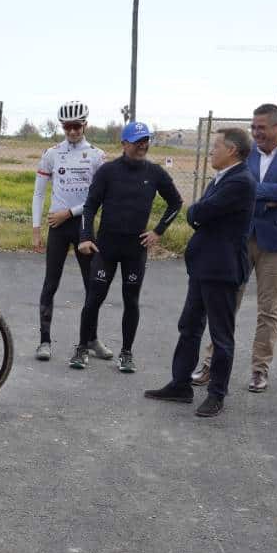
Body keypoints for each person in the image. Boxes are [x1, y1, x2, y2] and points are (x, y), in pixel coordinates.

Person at [191, 104, 277, 392]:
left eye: (262, 128)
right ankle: (211, 364)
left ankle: (260, 369)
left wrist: (250, 190)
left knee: (268, 308)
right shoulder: (248, 152)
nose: (256, 133)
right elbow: (236, 186)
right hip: (241, 236)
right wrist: (265, 194)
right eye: (253, 127)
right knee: (226, 302)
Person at [144, 128, 256, 418]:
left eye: (216, 146)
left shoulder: (240, 181)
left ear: (232, 150)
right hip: (205, 267)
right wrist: (197, 213)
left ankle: (217, 394)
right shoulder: (223, 178)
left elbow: (199, 213)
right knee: (190, 326)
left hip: (222, 269)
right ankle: (180, 384)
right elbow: (199, 213)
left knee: (220, 335)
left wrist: (196, 212)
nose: (211, 150)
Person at [72, 120, 183, 373]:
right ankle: (81, 347)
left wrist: (158, 231)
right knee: (93, 299)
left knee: (131, 301)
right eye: (137, 141)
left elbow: (175, 203)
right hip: (106, 248)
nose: (143, 145)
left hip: (135, 249)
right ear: (124, 144)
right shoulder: (108, 171)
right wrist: (85, 237)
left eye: (146, 141)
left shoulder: (155, 173)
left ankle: (126, 353)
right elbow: (90, 206)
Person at [31, 101, 110, 361]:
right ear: (62, 127)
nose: (73, 131)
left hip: (83, 226)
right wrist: (35, 229)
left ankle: (91, 339)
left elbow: (99, 197)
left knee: (92, 285)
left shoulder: (97, 156)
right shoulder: (52, 154)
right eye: (68, 127)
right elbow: (39, 192)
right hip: (57, 227)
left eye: (77, 126)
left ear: (85, 124)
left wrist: (70, 212)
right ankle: (44, 342)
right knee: (50, 283)